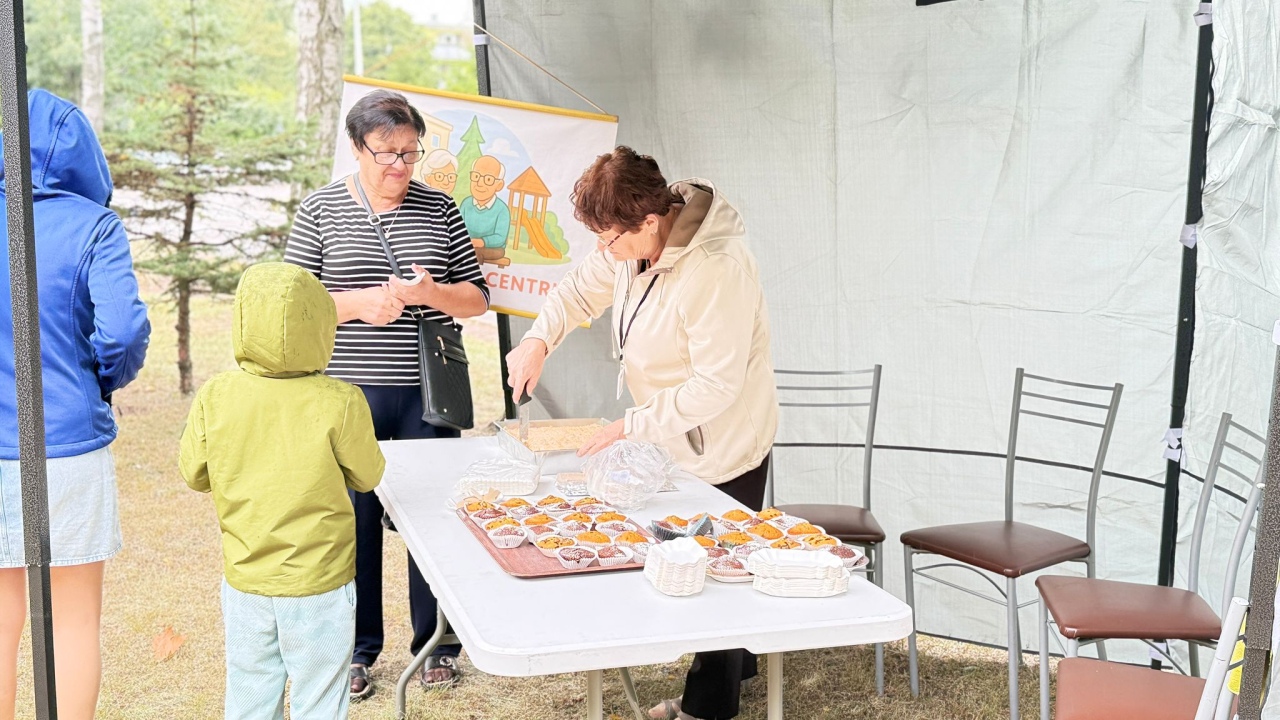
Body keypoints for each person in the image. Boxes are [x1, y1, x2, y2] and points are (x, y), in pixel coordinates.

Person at [505, 147, 778, 720]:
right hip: (668, 430)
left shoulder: (716, 268)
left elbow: (716, 386)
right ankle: (738, 657)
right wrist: (537, 340)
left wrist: (630, 425)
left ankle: (708, 705)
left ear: (650, 221)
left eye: (611, 239)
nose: (604, 251)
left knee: (713, 567)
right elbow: (577, 292)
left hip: (723, 439)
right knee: (689, 555)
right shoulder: (630, 248)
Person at [283, 89, 491, 699]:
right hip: (347, 395)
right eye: (386, 154)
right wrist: (353, 305)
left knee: (430, 518)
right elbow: (293, 303)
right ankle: (355, 650)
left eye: (409, 152)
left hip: (427, 392)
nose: (400, 166)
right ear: (355, 148)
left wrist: (431, 293)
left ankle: (437, 645)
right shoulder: (319, 210)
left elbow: (476, 297)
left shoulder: (441, 208)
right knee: (356, 519)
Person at [0, 89, 150, 720]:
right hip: (68, 444)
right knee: (75, 618)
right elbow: (122, 331)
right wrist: (102, 383)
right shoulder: (95, 226)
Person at [180, 262, 384, 720]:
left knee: (250, 696)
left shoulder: (216, 395)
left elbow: (193, 474)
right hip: (320, 582)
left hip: (247, 581)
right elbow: (369, 477)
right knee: (320, 699)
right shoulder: (342, 399)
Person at [458, 155, 512, 265]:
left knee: (474, 252)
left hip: (492, 248)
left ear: (499, 185)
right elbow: (458, 228)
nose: (480, 183)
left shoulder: (502, 210)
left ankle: (472, 280)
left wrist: (482, 242)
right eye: (476, 176)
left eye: (488, 179)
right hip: (467, 244)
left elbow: (500, 238)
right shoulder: (466, 204)